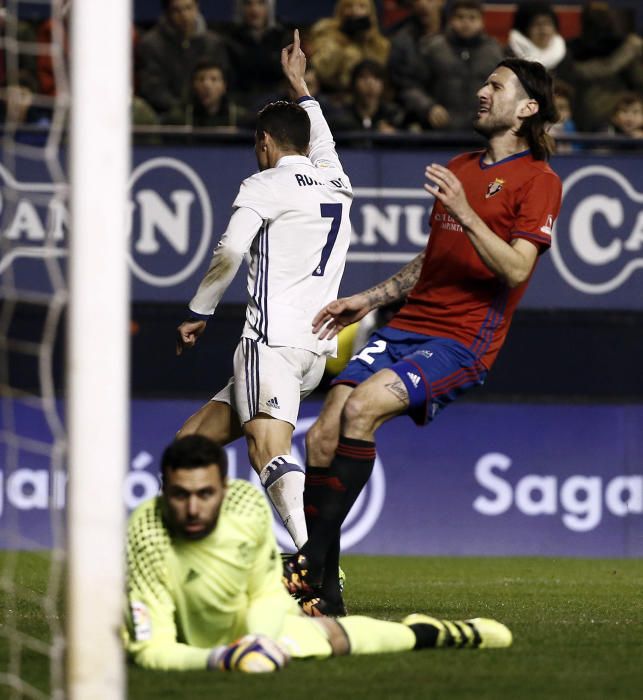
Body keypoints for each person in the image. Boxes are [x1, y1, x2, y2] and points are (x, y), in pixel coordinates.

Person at [283, 57, 562, 614]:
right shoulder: (462, 164)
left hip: (463, 339)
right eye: (485, 82)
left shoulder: (541, 182)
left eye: (496, 85)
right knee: (320, 437)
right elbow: (433, 258)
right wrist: (369, 298)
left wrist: (465, 207)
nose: (482, 91)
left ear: (527, 109)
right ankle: (326, 594)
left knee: (360, 411)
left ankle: (311, 557)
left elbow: (514, 268)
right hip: (409, 324)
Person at [174, 31, 352, 556]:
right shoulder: (337, 183)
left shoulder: (263, 185)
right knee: (190, 447)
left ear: (266, 144)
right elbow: (322, 139)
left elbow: (230, 252)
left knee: (266, 449)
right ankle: (202, 553)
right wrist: (300, 86)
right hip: (314, 352)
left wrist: (197, 311)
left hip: (269, 344)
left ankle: (313, 559)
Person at [123, 434, 512, 671]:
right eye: (180, 495)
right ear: (164, 493)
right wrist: (223, 660)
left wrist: (257, 640)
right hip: (196, 645)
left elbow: (266, 594)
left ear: (223, 490)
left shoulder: (245, 506)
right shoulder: (146, 531)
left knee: (335, 638)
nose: (193, 508)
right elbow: (153, 650)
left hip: (255, 633)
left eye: (204, 494)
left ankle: (444, 632)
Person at [391, 0, 504, 131]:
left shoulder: (495, 52)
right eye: (460, 17)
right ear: (450, 20)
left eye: (472, 17)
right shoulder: (431, 48)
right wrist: (428, 107)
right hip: (439, 131)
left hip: (482, 132)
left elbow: (505, 89)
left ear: (482, 22)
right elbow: (411, 86)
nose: (466, 22)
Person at [136, 0, 229, 119]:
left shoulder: (214, 43)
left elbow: (224, 82)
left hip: (210, 114)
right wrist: (182, 110)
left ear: (197, 8)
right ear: (167, 13)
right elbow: (153, 88)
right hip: (167, 116)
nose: (184, 15)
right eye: (177, 10)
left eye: (188, 8)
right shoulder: (151, 44)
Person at [308, 0, 390, 96]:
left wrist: (364, 42)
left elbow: (377, 75)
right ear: (341, 10)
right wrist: (341, 41)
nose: (355, 11)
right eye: (349, 6)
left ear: (370, 13)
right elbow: (322, 71)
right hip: (326, 94)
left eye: (361, 6)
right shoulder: (326, 34)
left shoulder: (379, 44)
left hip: (362, 98)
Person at [226, 0, 290, 110]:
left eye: (261, 3)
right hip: (242, 104)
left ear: (269, 7)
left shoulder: (283, 37)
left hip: (278, 105)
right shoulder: (231, 39)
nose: (254, 10)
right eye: (248, 3)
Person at [163, 60, 249, 129]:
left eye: (214, 79)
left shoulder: (239, 118)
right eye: (201, 79)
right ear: (194, 85)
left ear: (224, 86)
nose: (206, 85)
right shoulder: (178, 119)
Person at [506, 2, 567, 72]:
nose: (544, 31)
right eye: (536, 24)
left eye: (548, 24)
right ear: (524, 30)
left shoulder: (564, 56)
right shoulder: (509, 60)